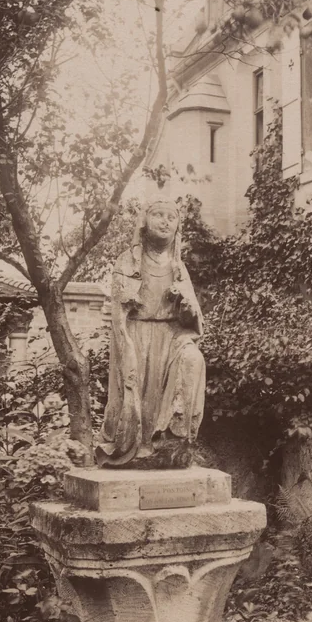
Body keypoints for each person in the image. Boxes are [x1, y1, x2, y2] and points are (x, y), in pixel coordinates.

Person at [95, 194, 205, 467]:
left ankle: (172, 441)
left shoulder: (179, 268)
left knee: (194, 360)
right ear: (145, 221)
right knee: (136, 399)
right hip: (137, 334)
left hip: (173, 339)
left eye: (171, 217)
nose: (165, 222)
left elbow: (193, 319)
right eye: (158, 214)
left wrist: (186, 305)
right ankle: (137, 448)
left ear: (178, 226)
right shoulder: (128, 261)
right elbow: (120, 309)